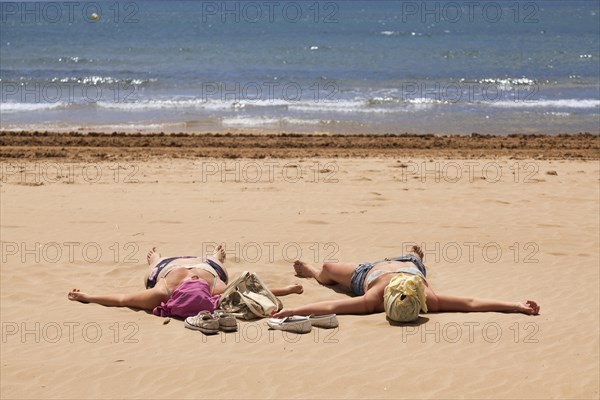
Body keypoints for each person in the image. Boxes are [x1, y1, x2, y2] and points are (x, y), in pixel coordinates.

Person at [272, 246, 540, 322]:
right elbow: (471, 303)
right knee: (413, 256)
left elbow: (333, 304)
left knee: (329, 268)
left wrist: (294, 311)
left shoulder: (373, 298)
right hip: (411, 265)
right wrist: (514, 305)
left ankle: (313, 272)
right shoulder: (426, 297)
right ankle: (415, 256)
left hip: (368, 274)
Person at [68, 245, 303, 316]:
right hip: (206, 265)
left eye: (191, 282)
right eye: (195, 282)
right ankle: (216, 257)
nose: (191, 278)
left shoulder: (162, 293)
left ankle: (156, 258)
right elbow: (253, 292)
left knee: (152, 269)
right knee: (220, 267)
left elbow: (121, 299)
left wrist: (88, 297)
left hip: (166, 266)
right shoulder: (215, 287)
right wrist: (287, 290)